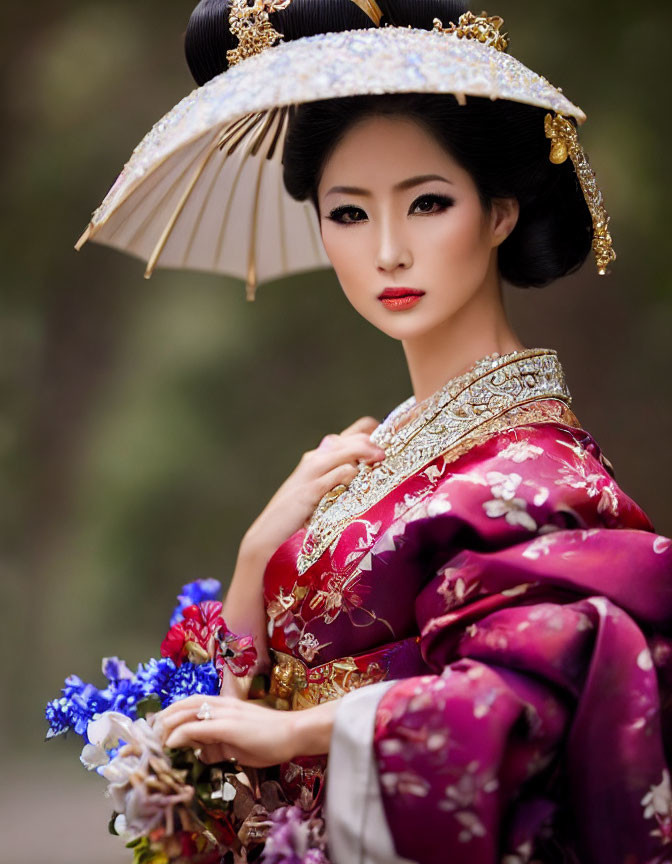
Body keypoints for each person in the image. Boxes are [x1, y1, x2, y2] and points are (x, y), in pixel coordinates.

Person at [133, 2, 672, 862]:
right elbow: (221, 725)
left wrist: (298, 732)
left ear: (498, 213)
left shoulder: (540, 473)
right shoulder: (378, 448)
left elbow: (527, 703)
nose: (387, 251)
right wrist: (252, 556)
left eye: (426, 202)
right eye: (348, 213)